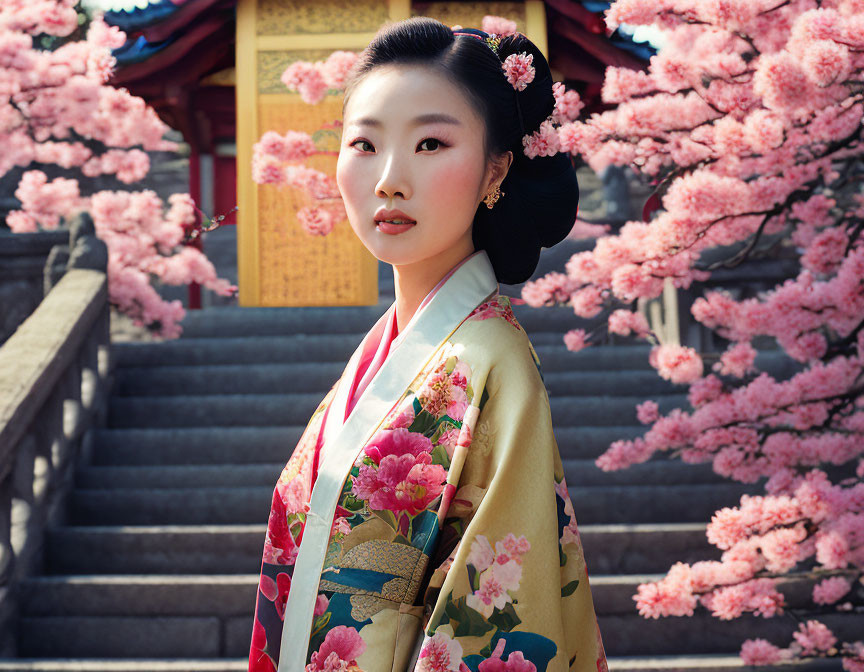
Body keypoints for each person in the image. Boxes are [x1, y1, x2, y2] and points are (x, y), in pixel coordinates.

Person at [247, 16, 608, 672]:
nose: (389, 178)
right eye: (363, 144)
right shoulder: (390, 355)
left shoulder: (491, 364)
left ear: (496, 169)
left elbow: (501, 620)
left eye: (432, 144)